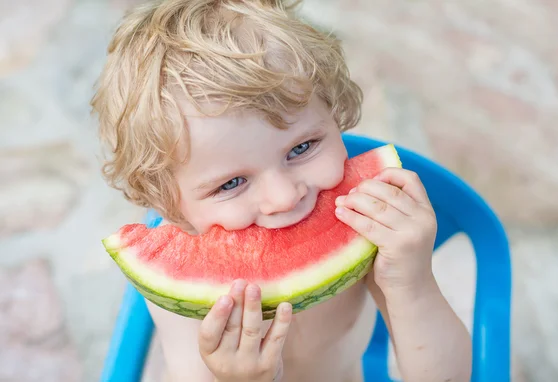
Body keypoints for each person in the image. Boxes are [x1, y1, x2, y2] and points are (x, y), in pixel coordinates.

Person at [91, 0, 472, 381]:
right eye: (232, 183)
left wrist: (413, 283)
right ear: (171, 207)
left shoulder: (365, 224)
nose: (285, 197)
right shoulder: (186, 303)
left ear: (335, 116)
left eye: (302, 148)